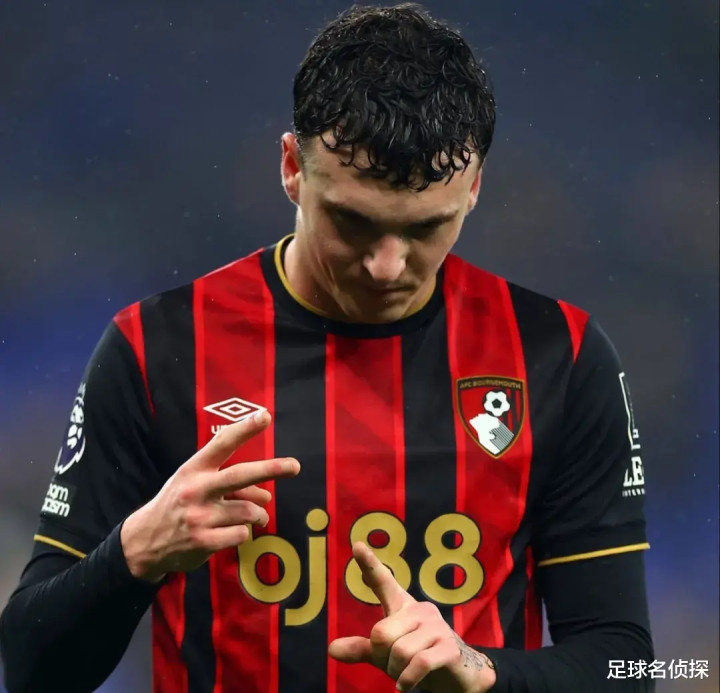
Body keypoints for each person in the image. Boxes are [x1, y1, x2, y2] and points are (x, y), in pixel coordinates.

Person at [0, 4, 654, 692]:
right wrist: (133, 553)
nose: (386, 265)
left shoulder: (558, 356)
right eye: (353, 222)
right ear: (291, 167)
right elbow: (34, 667)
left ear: (475, 188)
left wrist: (484, 672)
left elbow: (632, 665)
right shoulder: (157, 348)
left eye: (424, 228)